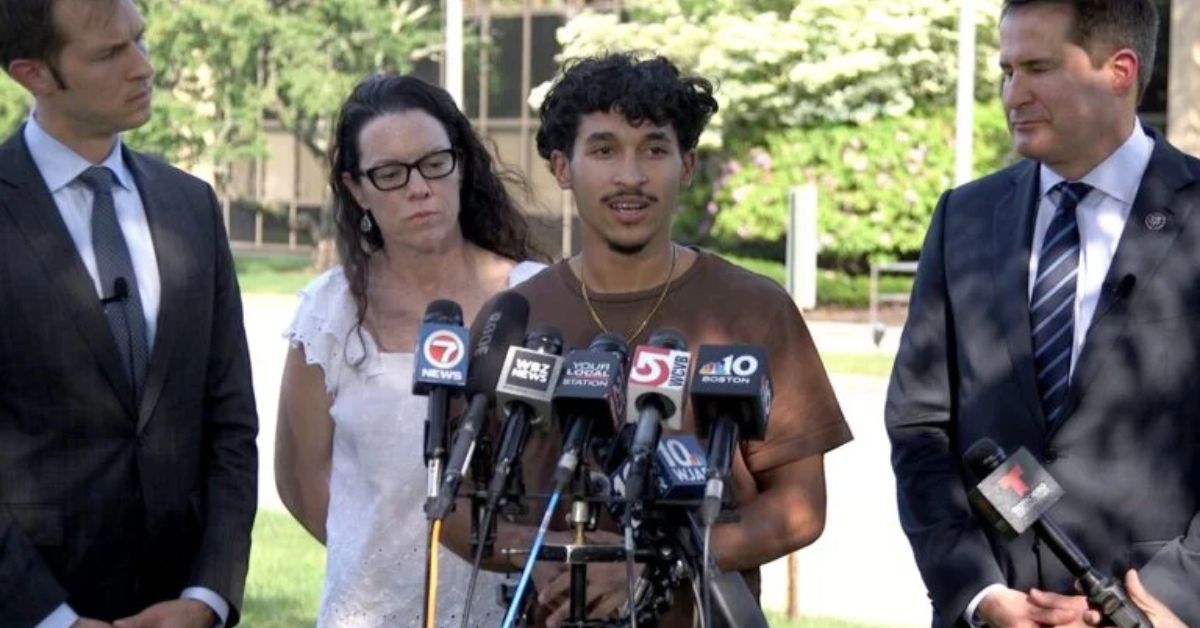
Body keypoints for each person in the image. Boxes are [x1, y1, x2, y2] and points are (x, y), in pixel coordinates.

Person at [443, 53, 853, 628]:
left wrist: (655, 563)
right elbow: (453, 503)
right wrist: (534, 554)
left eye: (654, 150)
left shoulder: (755, 309)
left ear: (686, 166)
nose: (630, 176)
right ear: (562, 167)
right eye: (604, 150)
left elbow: (800, 508)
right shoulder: (514, 316)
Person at [886, 0, 1199, 625]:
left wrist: (1163, 604)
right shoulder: (965, 218)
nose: (1012, 94)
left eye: (1038, 68)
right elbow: (920, 427)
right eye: (1006, 70)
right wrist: (979, 594)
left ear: (1120, 70)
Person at [0, 0, 259, 626]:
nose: (143, 67)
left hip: (182, 605)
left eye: (139, 40)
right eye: (109, 53)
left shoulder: (191, 206)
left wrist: (208, 596)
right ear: (32, 74)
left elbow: (230, 422)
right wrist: (50, 618)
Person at [274, 73, 546, 627]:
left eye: (432, 163)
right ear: (357, 189)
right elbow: (299, 476)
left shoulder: (536, 296)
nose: (418, 188)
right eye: (390, 174)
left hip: (510, 607)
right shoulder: (331, 312)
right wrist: (373, 560)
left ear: (461, 164)